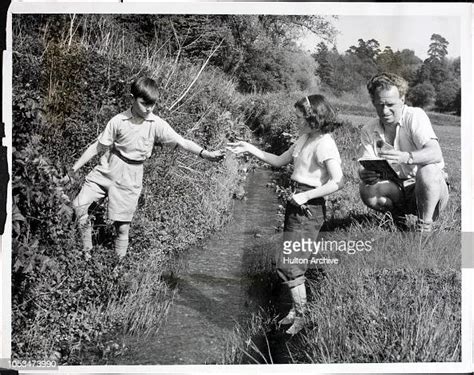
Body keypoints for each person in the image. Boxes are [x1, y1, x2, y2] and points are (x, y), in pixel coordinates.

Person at [70, 76, 224, 260]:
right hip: (108, 168)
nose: (149, 109)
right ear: (132, 98)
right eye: (144, 104)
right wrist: (73, 169)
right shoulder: (118, 121)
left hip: (131, 176)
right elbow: (98, 146)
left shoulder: (156, 123)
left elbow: (182, 142)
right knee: (79, 205)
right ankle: (87, 254)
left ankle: (115, 271)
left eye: (153, 104)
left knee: (122, 228)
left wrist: (205, 154)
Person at [227, 95, 344, 335]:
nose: (296, 120)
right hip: (296, 203)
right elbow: (279, 161)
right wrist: (249, 148)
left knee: (291, 265)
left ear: (313, 119)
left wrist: (306, 197)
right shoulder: (304, 138)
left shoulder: (324, 143)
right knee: (291, 261)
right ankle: (295, 309)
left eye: (300, 117)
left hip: (308, 207)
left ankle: (302, 316)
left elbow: (338, 182)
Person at [358, 72, 449, 232]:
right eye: (380, 105)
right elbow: (365, 162)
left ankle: (424, 227)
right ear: (373, 102)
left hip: (428, 188)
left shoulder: (415, 116)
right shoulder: (368, 129)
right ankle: (398, 220)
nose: (385, 111)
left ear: (402, 99)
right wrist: (365, 173)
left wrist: (407, 157)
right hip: (396, 187)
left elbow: (435, 153)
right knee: (367, 188)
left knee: (428, 169)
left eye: (390, 105)